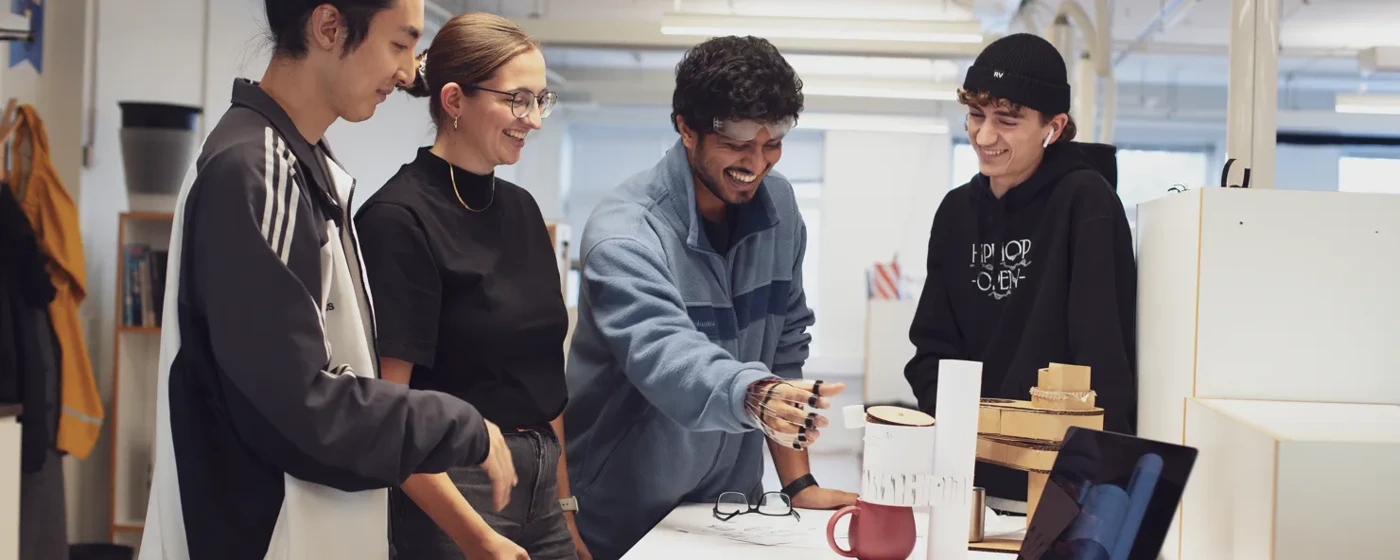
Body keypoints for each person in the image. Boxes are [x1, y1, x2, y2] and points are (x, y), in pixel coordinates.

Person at [138, 2, 516, 559]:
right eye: (399, 44)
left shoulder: (295, 159)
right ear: (329, 27)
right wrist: (460, 424)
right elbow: (300, 408)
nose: (411, 72)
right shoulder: (255, 169)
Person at [562, 35, 858, 559]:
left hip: (725, 513)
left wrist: (797, 485)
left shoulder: (780, 208)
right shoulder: (625, 234)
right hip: (624, 521)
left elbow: (785, 340)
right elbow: (665, 353)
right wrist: (751, 393)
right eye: (739, 142)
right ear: (685, 126)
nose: (757, 162)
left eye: (773, 143)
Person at [354, 12, 585, 560]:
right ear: (454, 101)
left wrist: (567, 512)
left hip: (543, 488)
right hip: (456, 492)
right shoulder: (397, 218)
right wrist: (476, 537)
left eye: (541, 101)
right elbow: (390, 411)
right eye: (517, 100)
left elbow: (545, 380)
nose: (534, 120)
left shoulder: (523, 211)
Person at [903, 33, 1137, 514]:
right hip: (964, 484)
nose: (984, 137)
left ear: (1053, 126)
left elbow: (1103, 364)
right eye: (975, 116)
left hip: (1057, 490)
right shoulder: (955, 213)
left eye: (1007, 121)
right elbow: (932, 347)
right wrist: (950, 430)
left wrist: (1093, 492)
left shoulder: (1086, 204)